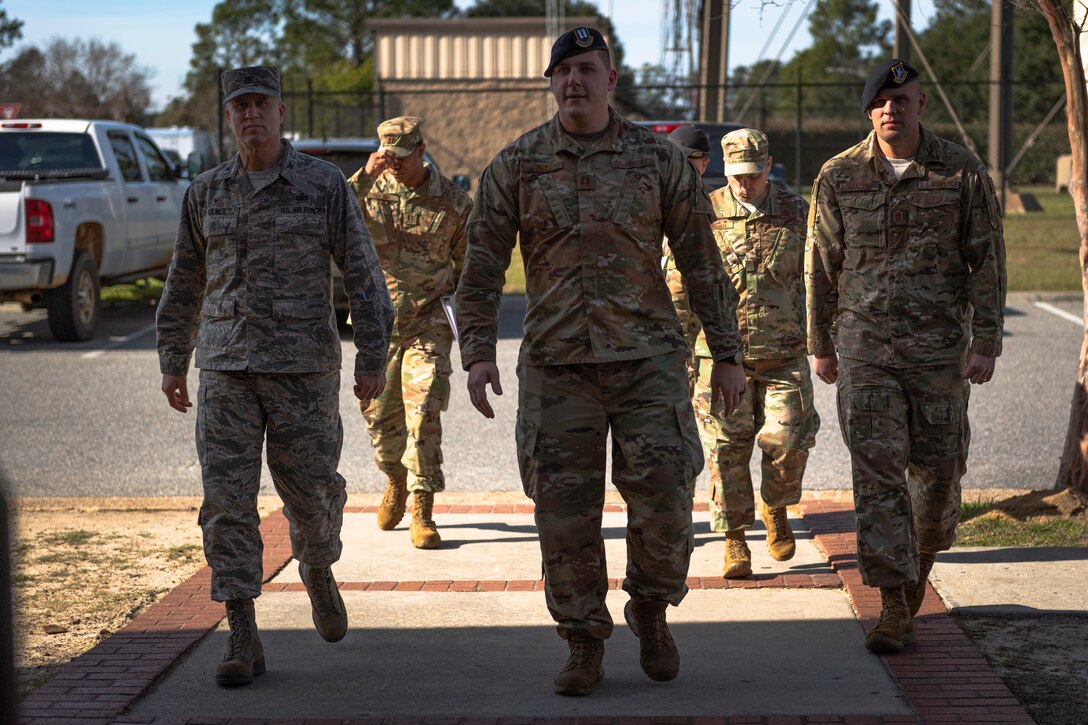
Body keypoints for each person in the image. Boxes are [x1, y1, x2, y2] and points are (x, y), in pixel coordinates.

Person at [455, 27, 745, 696]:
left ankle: (650, 605)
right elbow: (480, 267)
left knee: (668, 501)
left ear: (612, 80)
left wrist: (727, 354)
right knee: (564, 515)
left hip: (650, 365)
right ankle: (584, 638)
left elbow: (703, 261)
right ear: (550, 83)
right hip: (558, 369)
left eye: (587, 69)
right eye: (562, 72)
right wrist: (475, 353)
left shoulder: (658, 160)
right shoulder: (517, 165)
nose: (574, 81)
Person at [156, 65, 394, 686]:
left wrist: (372, 356)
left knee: (312, 495)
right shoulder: (204, 193)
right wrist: (172, 360)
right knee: (225, 503)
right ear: (228, 117)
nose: (251, 115)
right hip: (228, 368)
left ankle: (317, 565)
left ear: (281, 112)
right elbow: (183, 283)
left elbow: (365, 276)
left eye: (261, 103)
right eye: (239, 106)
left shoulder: (323, 186)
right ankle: (242, 630)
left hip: (303, 369)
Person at [805, 59, 1006, 653]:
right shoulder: (838, 176)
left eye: (902, 99)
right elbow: (820, 265)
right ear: (869, 111)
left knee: (938, 475)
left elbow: (987, 259)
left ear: (921, 103)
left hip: (940, 353)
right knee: (877, 475)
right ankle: (893, 603)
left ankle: (918, 562)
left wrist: (987, 340)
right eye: (880, 102)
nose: (891, 109)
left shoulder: (960, 170)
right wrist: (819, 343)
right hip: (865, 350)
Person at [667, 128, 819, 579]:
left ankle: (776, 506)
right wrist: (679, 352)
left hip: (784, 354)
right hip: (718, 359)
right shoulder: (703, 212)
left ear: (768, 167)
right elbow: (681, 284)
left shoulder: (796, 212)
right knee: (726, 452)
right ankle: (735, 540)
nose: (744, 184)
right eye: (735, 176)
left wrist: (823, 339)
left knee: (788, 442)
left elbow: (817, 279)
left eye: (752, 174)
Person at [346, 116, 470, 549]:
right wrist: (365, 175)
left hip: (428, 324)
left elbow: (469, 267)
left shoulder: (453, 202)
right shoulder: (368, 192)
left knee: (424, 412)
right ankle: (394, 478)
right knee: (379, 418)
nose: (393, 164)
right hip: (377, 326)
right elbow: (327, 213)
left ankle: (423, 507)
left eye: (401, 156)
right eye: (387, 157)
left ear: (421, 150)